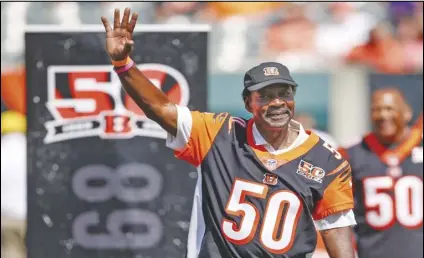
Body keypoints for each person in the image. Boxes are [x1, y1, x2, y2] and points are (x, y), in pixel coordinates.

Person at [101, 8, 356, 258]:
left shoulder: (326, 161)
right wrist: (123, 65)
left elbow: (338, 236)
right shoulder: (219, 134)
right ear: (248, 104)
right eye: (265, 97)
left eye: (284, 94)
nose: (277, 103)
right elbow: (160, 108)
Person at [339, 88, 423, 258]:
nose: (383, 115)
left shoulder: (418, 145)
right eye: (377, 109)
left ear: (407, 113)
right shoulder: (351, 154)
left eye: (390, 109)